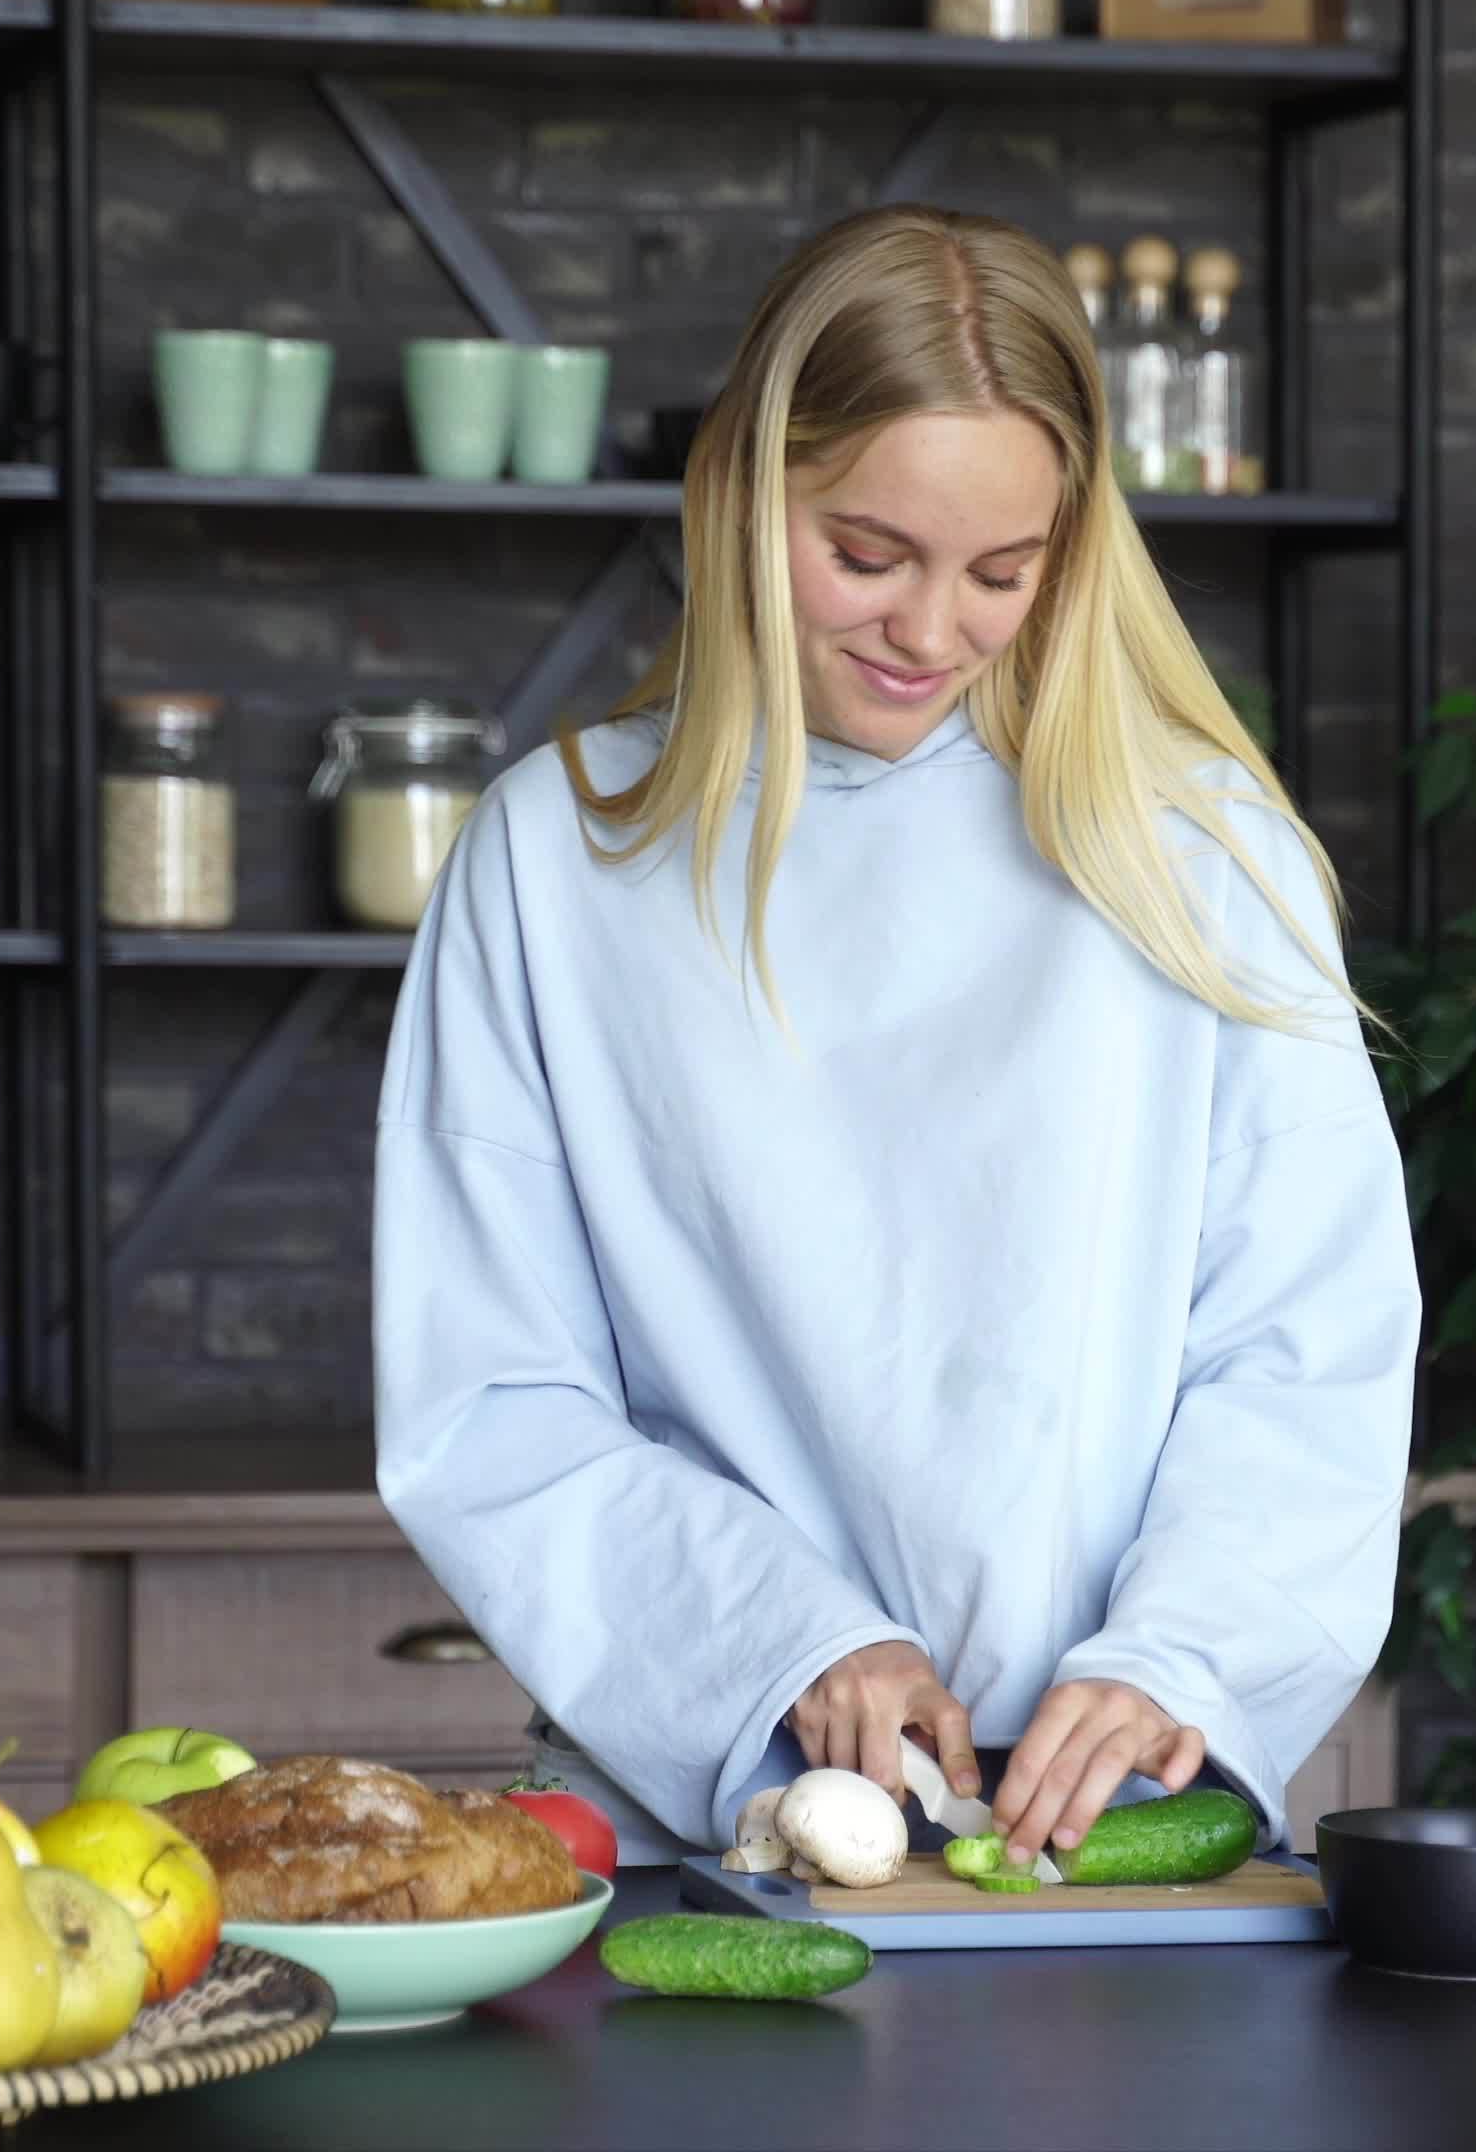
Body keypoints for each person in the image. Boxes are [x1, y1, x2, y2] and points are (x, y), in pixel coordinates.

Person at [371, 204, 1418, 1874]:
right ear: (738, 492)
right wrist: (787, 1643)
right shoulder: (558, 859)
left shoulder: (1204, 855)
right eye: (867, 555)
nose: (931, 633)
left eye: (1004, 574)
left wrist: (1179, 1655)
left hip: (1122, 1816)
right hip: (721, 1799)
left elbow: (1306, 1354)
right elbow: (494, 1397)